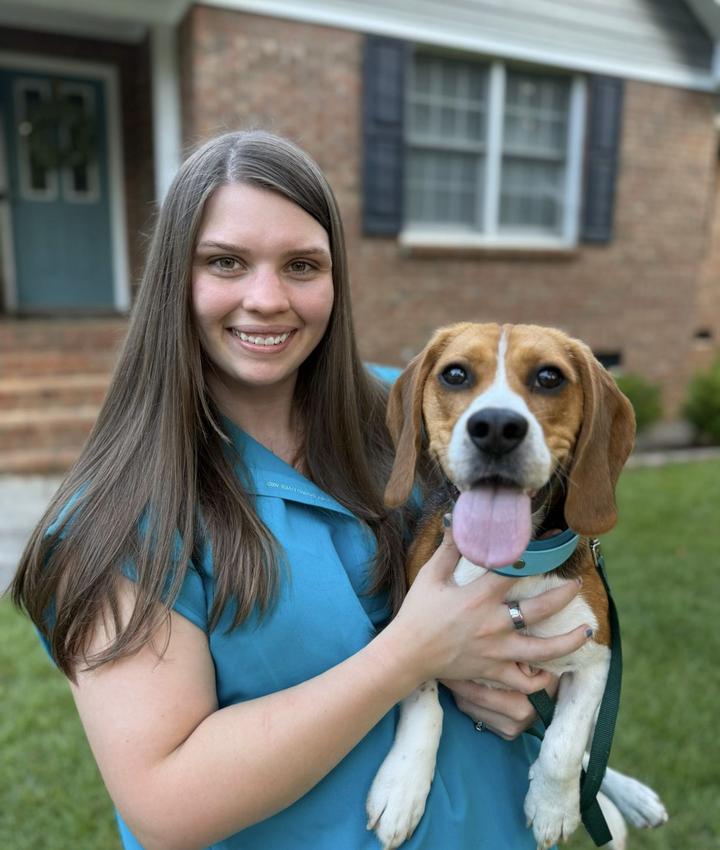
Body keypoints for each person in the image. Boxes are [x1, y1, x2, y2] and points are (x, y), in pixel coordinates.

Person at [11, 130, 592, 850]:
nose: (267, 299)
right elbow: (164, 804)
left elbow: (550, 554)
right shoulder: (119, 515)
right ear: (172, 280)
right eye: (225, 262)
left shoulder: (413, 407)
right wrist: (411, 657)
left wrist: (514, 680)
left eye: (302, 265)